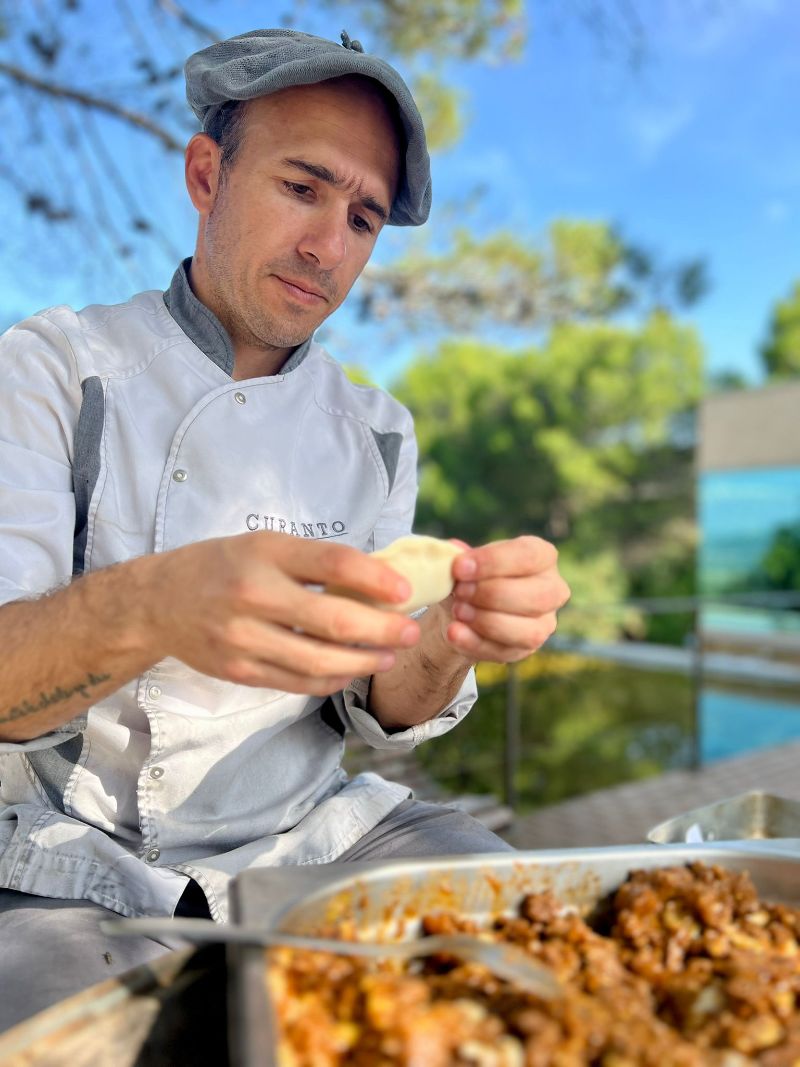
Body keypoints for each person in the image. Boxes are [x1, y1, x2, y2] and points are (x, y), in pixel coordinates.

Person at [0, 28, 570, 1028]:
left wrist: (444, 641)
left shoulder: (379, 432)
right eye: (301, 187)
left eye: (362, 216)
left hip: (314, 833)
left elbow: (372, 707)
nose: (327, 245)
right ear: (206, 172)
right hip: (66, 856)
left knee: (533, 950)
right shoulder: (55, 368)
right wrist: (159, 604)